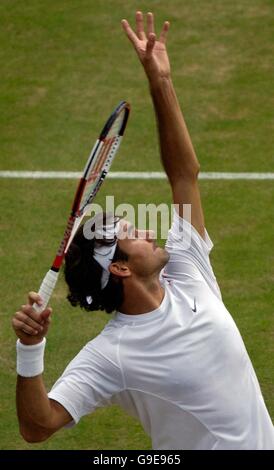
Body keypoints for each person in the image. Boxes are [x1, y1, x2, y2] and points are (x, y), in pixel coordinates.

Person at [12, 12, 274, 450]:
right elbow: (37, 426)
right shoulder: (113, 354)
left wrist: (161, 80)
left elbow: (184, 176)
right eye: (127, 231)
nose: (143, 229)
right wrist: (29, 350)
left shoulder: (188, 272)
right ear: (119, 268)